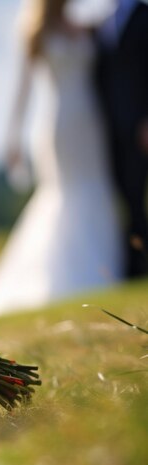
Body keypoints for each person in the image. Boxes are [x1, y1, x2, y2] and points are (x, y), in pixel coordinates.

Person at [0, 0, 123, 318]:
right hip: (58, 123)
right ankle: (64, 276)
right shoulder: (35, 32)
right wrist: (13, 137)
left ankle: (106, 269)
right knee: (65, 193)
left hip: (92, 122)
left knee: (95, 189)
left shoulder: (88, 28)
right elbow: (24, 89)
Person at [95, 0, 148, 278]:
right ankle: (135, 265)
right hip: (111, 132)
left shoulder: (144, 15)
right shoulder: (102, 25)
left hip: (141, 127)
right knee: (127, 199)